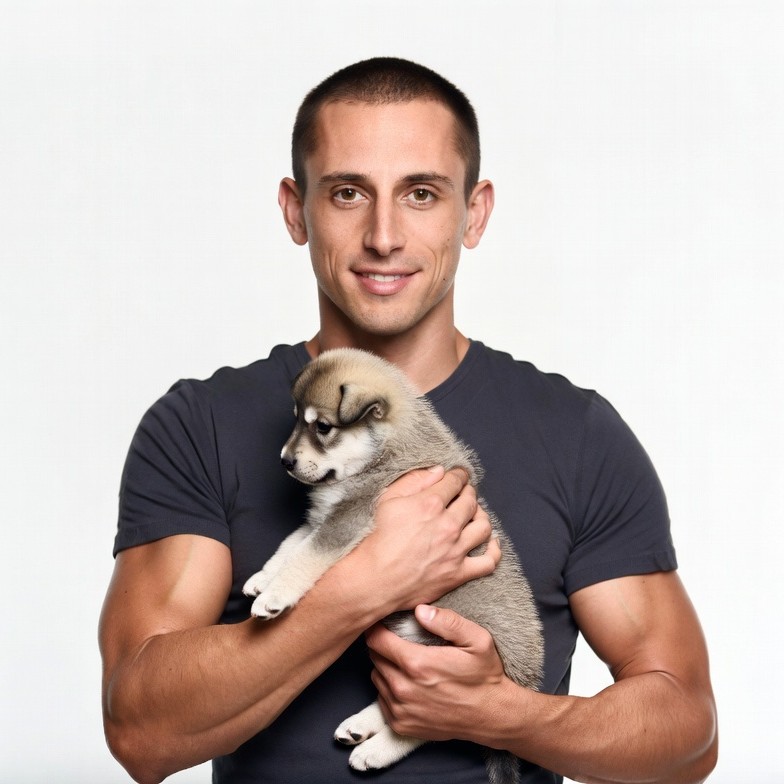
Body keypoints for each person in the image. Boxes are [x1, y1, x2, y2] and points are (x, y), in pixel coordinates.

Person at [99, 57, 718, 784]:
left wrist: (501, 714)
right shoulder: (201, 424)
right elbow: (140, 731)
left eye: (421, 193)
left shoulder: (575, 432)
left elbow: (687, 739)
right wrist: (366, 581)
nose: (384, 235)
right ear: (297, 210)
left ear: (474, 211)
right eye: (348, 193)